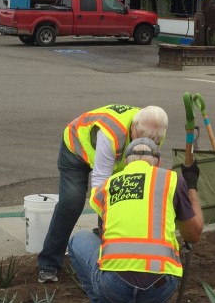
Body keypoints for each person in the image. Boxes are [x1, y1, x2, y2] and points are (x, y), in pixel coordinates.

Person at [67, 138, 203, 303]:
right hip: (160, 287)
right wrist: (192, 186)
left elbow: (105, 236)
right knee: (165, 249)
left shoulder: (109, 185)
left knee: (79, 241)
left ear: (127, 164)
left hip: (114, 287)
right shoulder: (171, 180)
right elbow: (193, 235)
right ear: (156, 163)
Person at [38, 104, 169, 283]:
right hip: (76, 150)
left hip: (116, 161)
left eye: (153, 140)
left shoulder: (154, 129)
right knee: (72, 202)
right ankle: (49, 262)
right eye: (141, 138)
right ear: (133, 128)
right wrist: (108, 222)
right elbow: (100, 185)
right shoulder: (112, 133)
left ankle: (118, 253)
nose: (145, 144)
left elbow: (148, 177)